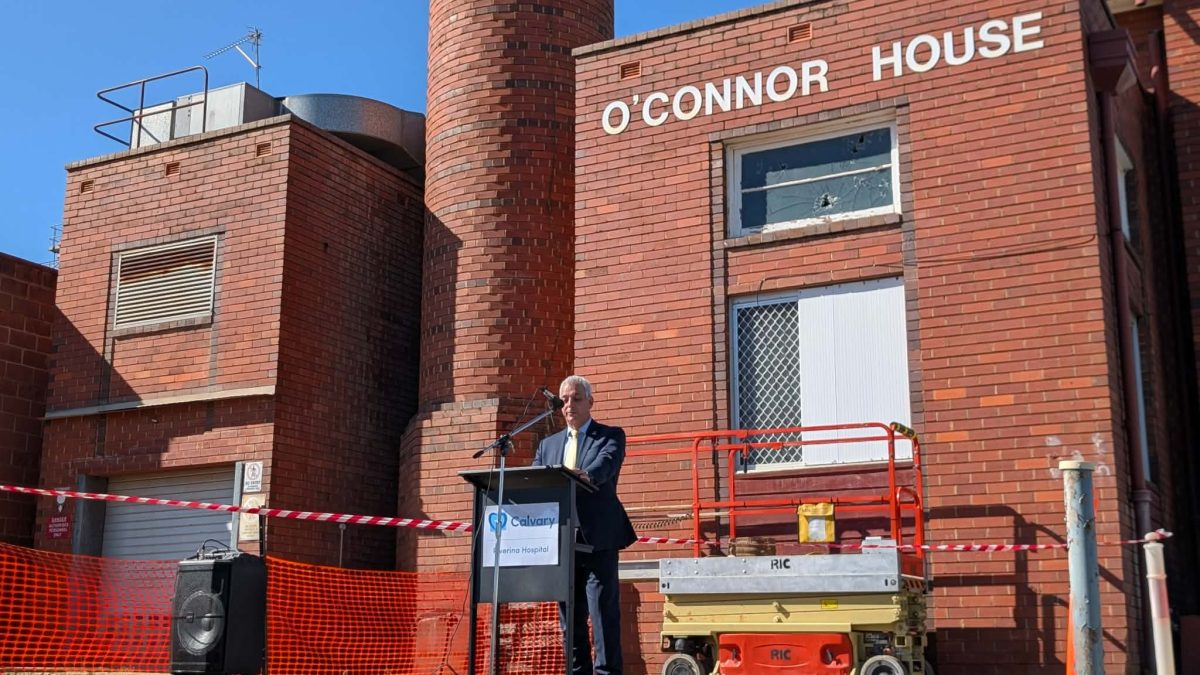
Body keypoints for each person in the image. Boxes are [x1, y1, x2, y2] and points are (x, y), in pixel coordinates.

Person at [534, 374, 637, 675]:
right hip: (562, 545)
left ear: (590, 402)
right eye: (564, 400)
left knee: (603, 618)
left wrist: (586, 475)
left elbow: (605, 465)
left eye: (576, 399)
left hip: (598, 542)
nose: (569, 405)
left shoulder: (611, 435)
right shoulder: (547, 446)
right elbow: (536, 484)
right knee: (571, 624)